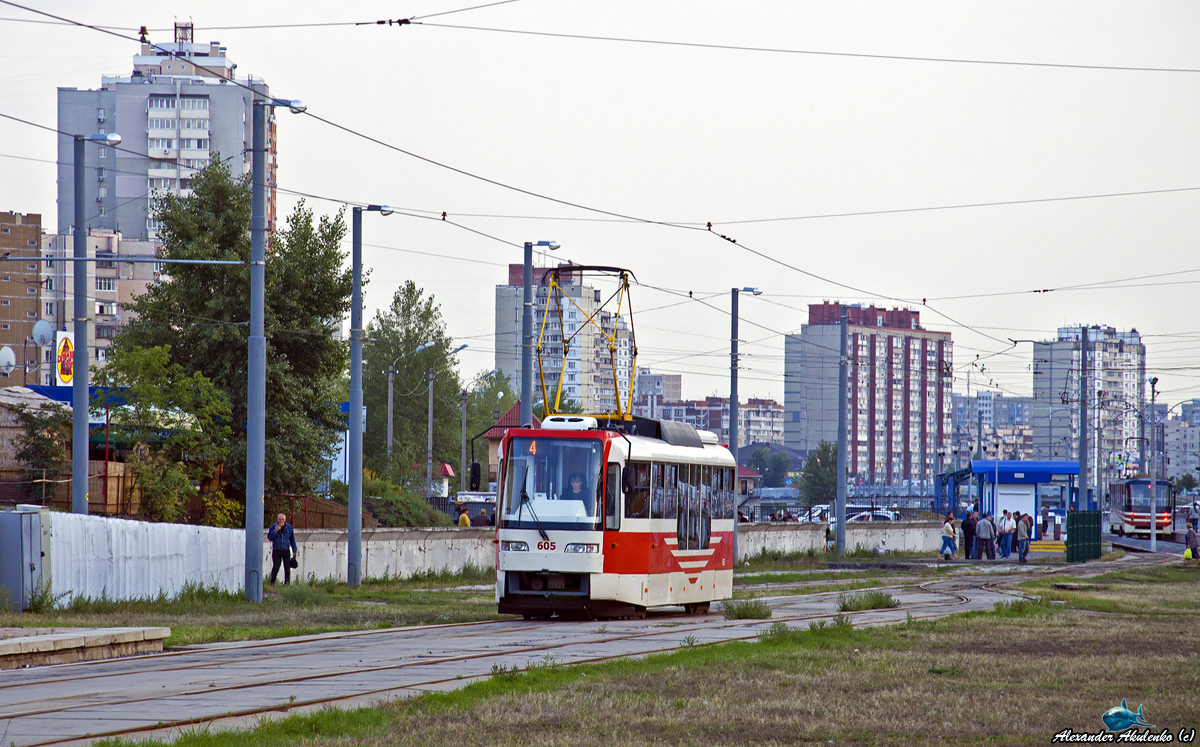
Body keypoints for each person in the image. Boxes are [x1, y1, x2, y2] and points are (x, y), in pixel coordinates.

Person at [268, 512, 298, 586]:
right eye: (280, 519)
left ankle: (287, 584)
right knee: (276, 566)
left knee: (287, 568)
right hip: (276, 550)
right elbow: (270, 538)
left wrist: (294, 550)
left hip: (285, 550)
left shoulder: (289, 528)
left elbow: (292, 540)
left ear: (285, 520)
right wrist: (275, 531)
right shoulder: (273, 527)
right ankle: (272, 582)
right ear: (277, 520)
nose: (281, 521)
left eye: (282, 519)